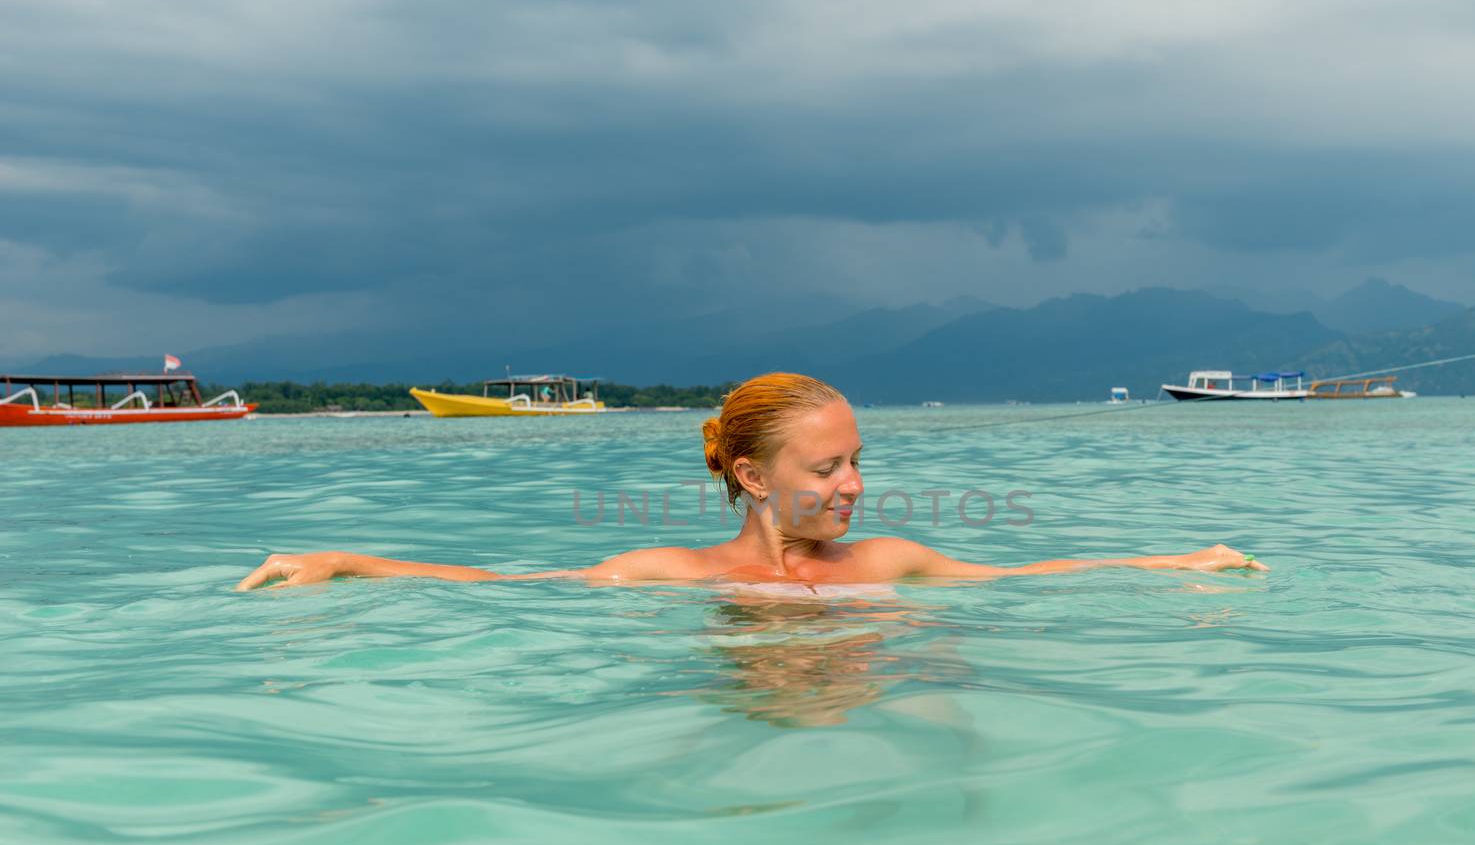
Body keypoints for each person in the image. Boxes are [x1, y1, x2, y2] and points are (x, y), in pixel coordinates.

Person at [236, 372, 1267, 591]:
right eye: (827, 466)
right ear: (748, 474)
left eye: (859, 460)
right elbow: (510, 586)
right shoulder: (673, 572)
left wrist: (1179, 559)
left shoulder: (890, 561)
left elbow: (1033, 571)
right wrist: (341, 560)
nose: (855, 485)